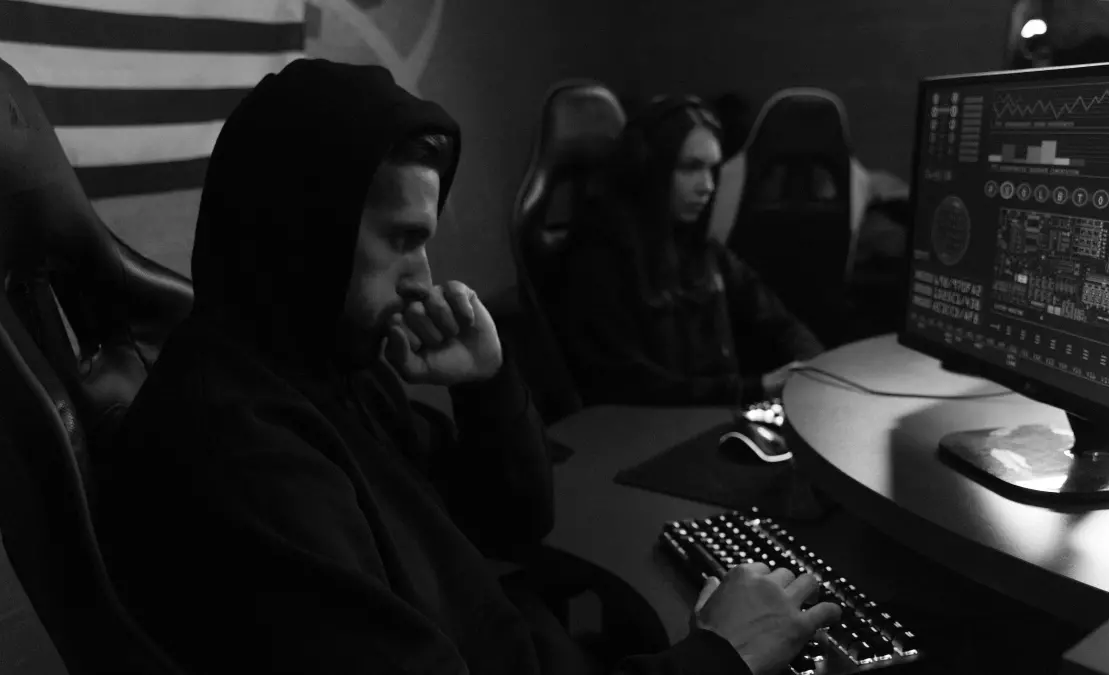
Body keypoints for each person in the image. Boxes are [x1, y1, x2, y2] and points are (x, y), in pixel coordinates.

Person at [95, 60, 840, 675]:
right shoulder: (242, 455)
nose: (424, 276)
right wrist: (720, 657)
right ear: (301, 236)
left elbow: (510, 520)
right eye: (401, 238)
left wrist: (485, 384)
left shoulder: (328, 374)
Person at [558, 96, 824, 407]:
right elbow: (628, 384)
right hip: (649, 434)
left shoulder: (701, 250)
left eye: (712, 170)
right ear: (649, 169)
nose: (707, 186)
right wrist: (756, 389)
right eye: (691, 168)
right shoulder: (599, 256)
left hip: (710, 419)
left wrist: (812, 366)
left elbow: (777, 319)